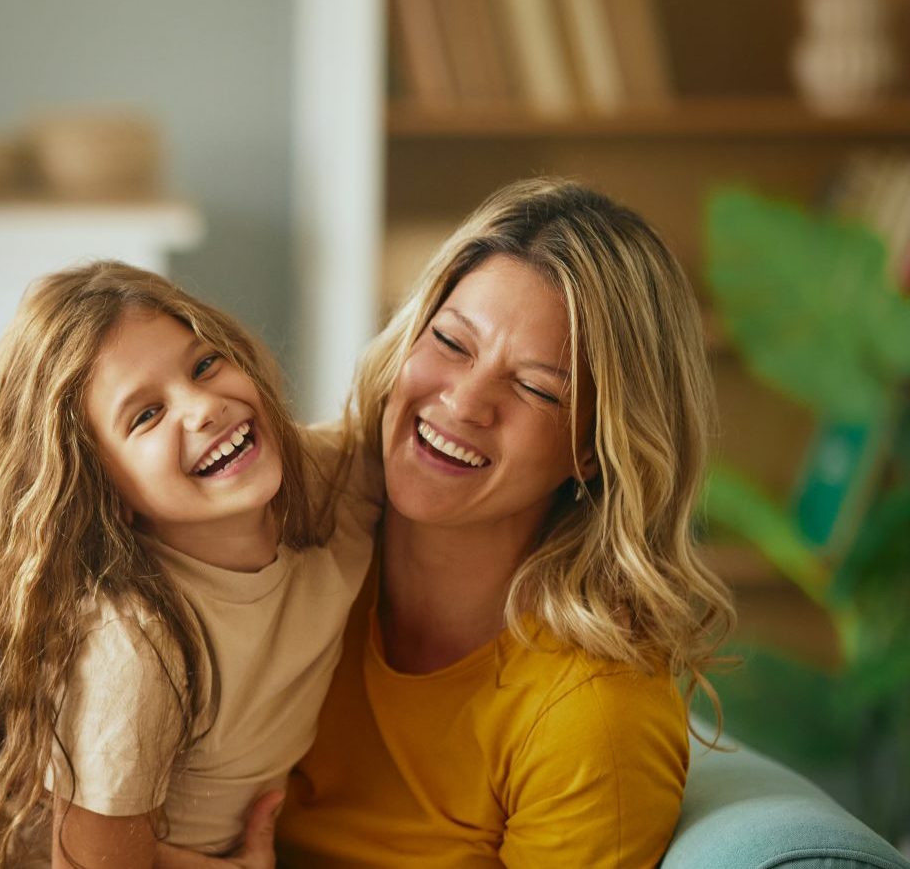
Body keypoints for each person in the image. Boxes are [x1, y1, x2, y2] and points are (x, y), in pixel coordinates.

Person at [0, 261, 374, 867]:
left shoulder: (328, 479)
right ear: (104, 491)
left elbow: (409, 377)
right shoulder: (132, 645)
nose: (203, 407)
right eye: (146, 415)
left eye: (205, 365)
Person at [261, 179, 735, 867]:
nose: (464, 401)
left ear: (595, 450)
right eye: (451, 342)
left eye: (537, 387)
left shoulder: (594, 714)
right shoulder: (276, 527)